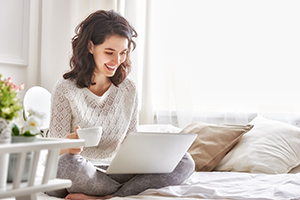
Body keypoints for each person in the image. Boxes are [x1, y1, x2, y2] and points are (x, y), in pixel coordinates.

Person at [46, 10, 195, 199]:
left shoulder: (128, 89)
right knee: (67, 164)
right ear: (91, 46)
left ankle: (105, 197)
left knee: (185, 161)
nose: (117, 61)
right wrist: (69, 146)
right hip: (74, 170)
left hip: (112, 170)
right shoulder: (65, 88)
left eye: (123, 53)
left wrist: (149, 154)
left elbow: (130, 143)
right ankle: (120, 193)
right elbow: (54, 152)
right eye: (109, 52)